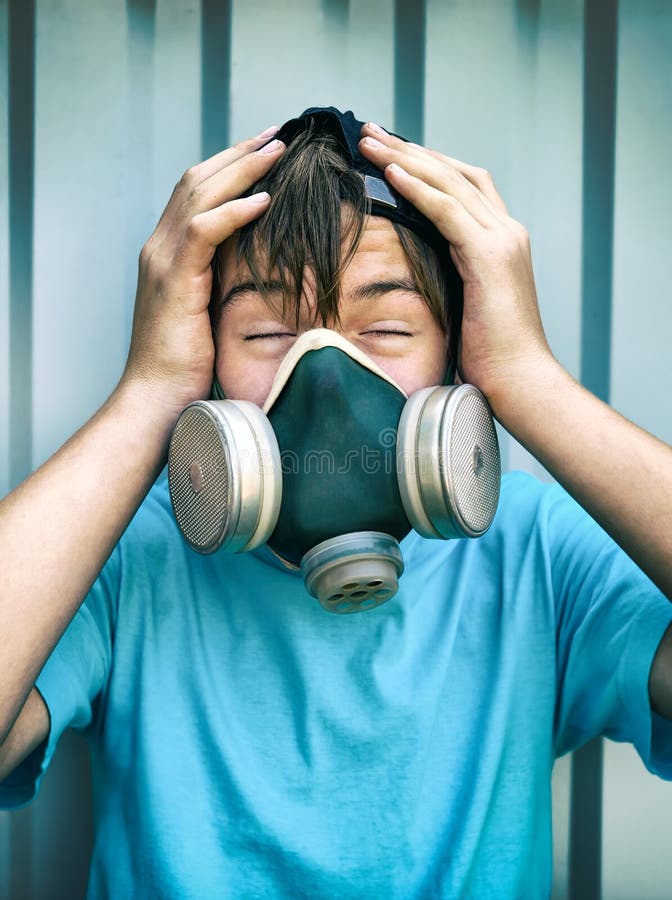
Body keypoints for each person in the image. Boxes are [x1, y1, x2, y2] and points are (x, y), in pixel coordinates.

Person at [0, 106, 671, 898]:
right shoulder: (122, 552)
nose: (324, 376)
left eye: (385, 327)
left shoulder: (536, 552)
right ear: (205, 361)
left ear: (458, 359)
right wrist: (148, 394)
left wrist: (529, 379)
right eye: (266, 333)